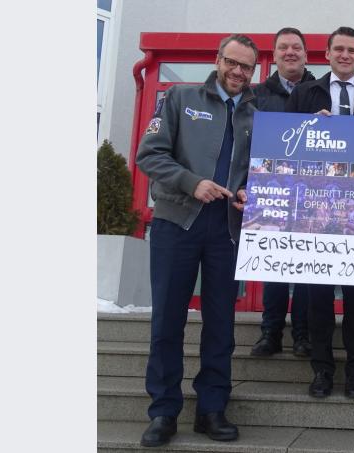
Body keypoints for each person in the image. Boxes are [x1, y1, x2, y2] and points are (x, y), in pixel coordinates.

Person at [135, 34, 259, 447]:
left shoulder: (255, 115)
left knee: (221, 324)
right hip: (177, 224)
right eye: (233, 62)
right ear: (218, 59)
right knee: (167, 320)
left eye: (246, 66)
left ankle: (211, 409)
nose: (238, 72)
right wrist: (192, 183)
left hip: (226, 230)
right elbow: (149, 155)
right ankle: (164, 411)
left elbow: (263, 172)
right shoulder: (180, 98)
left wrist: (247, 193)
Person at [286, 26, 354, 399]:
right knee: (316, 299)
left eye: (352, 50)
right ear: (327, 54)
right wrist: (311, 128)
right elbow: (287, 147)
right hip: (314, 213)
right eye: (339, 49)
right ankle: (322, 371)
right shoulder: (303, 94)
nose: (345, 55)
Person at [251, 28, 315, 359]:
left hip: (314, 194)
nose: (290, 52)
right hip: (271, 191)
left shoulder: (323, 92)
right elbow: (245, 141)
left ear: (307, 54)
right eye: (283, 47)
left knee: (305, 265)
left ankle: (303, 334)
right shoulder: (256, 94)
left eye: (296, 47)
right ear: (273, 55)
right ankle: (270, 332)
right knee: (274, 263)